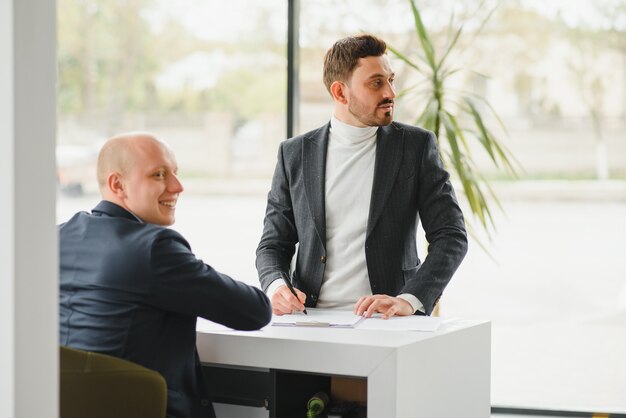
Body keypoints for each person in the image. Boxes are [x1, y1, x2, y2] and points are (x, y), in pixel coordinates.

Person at [59, 132, 272, 418]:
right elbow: (255, 311)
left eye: (175, 173)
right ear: (117, 184)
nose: (178, 186)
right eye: (159, 175)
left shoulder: (60, 236)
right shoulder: (153, 248)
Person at [256, 34, 468, 319]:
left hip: (387, 321)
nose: (390, 92)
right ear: (340, 93)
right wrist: (276, 286)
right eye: (376, 83)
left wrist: (409, 299)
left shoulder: (416, 147)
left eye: (391, 80)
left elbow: (451, 235)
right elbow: (273, 243)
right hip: (310, 320)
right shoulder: (294, 153)